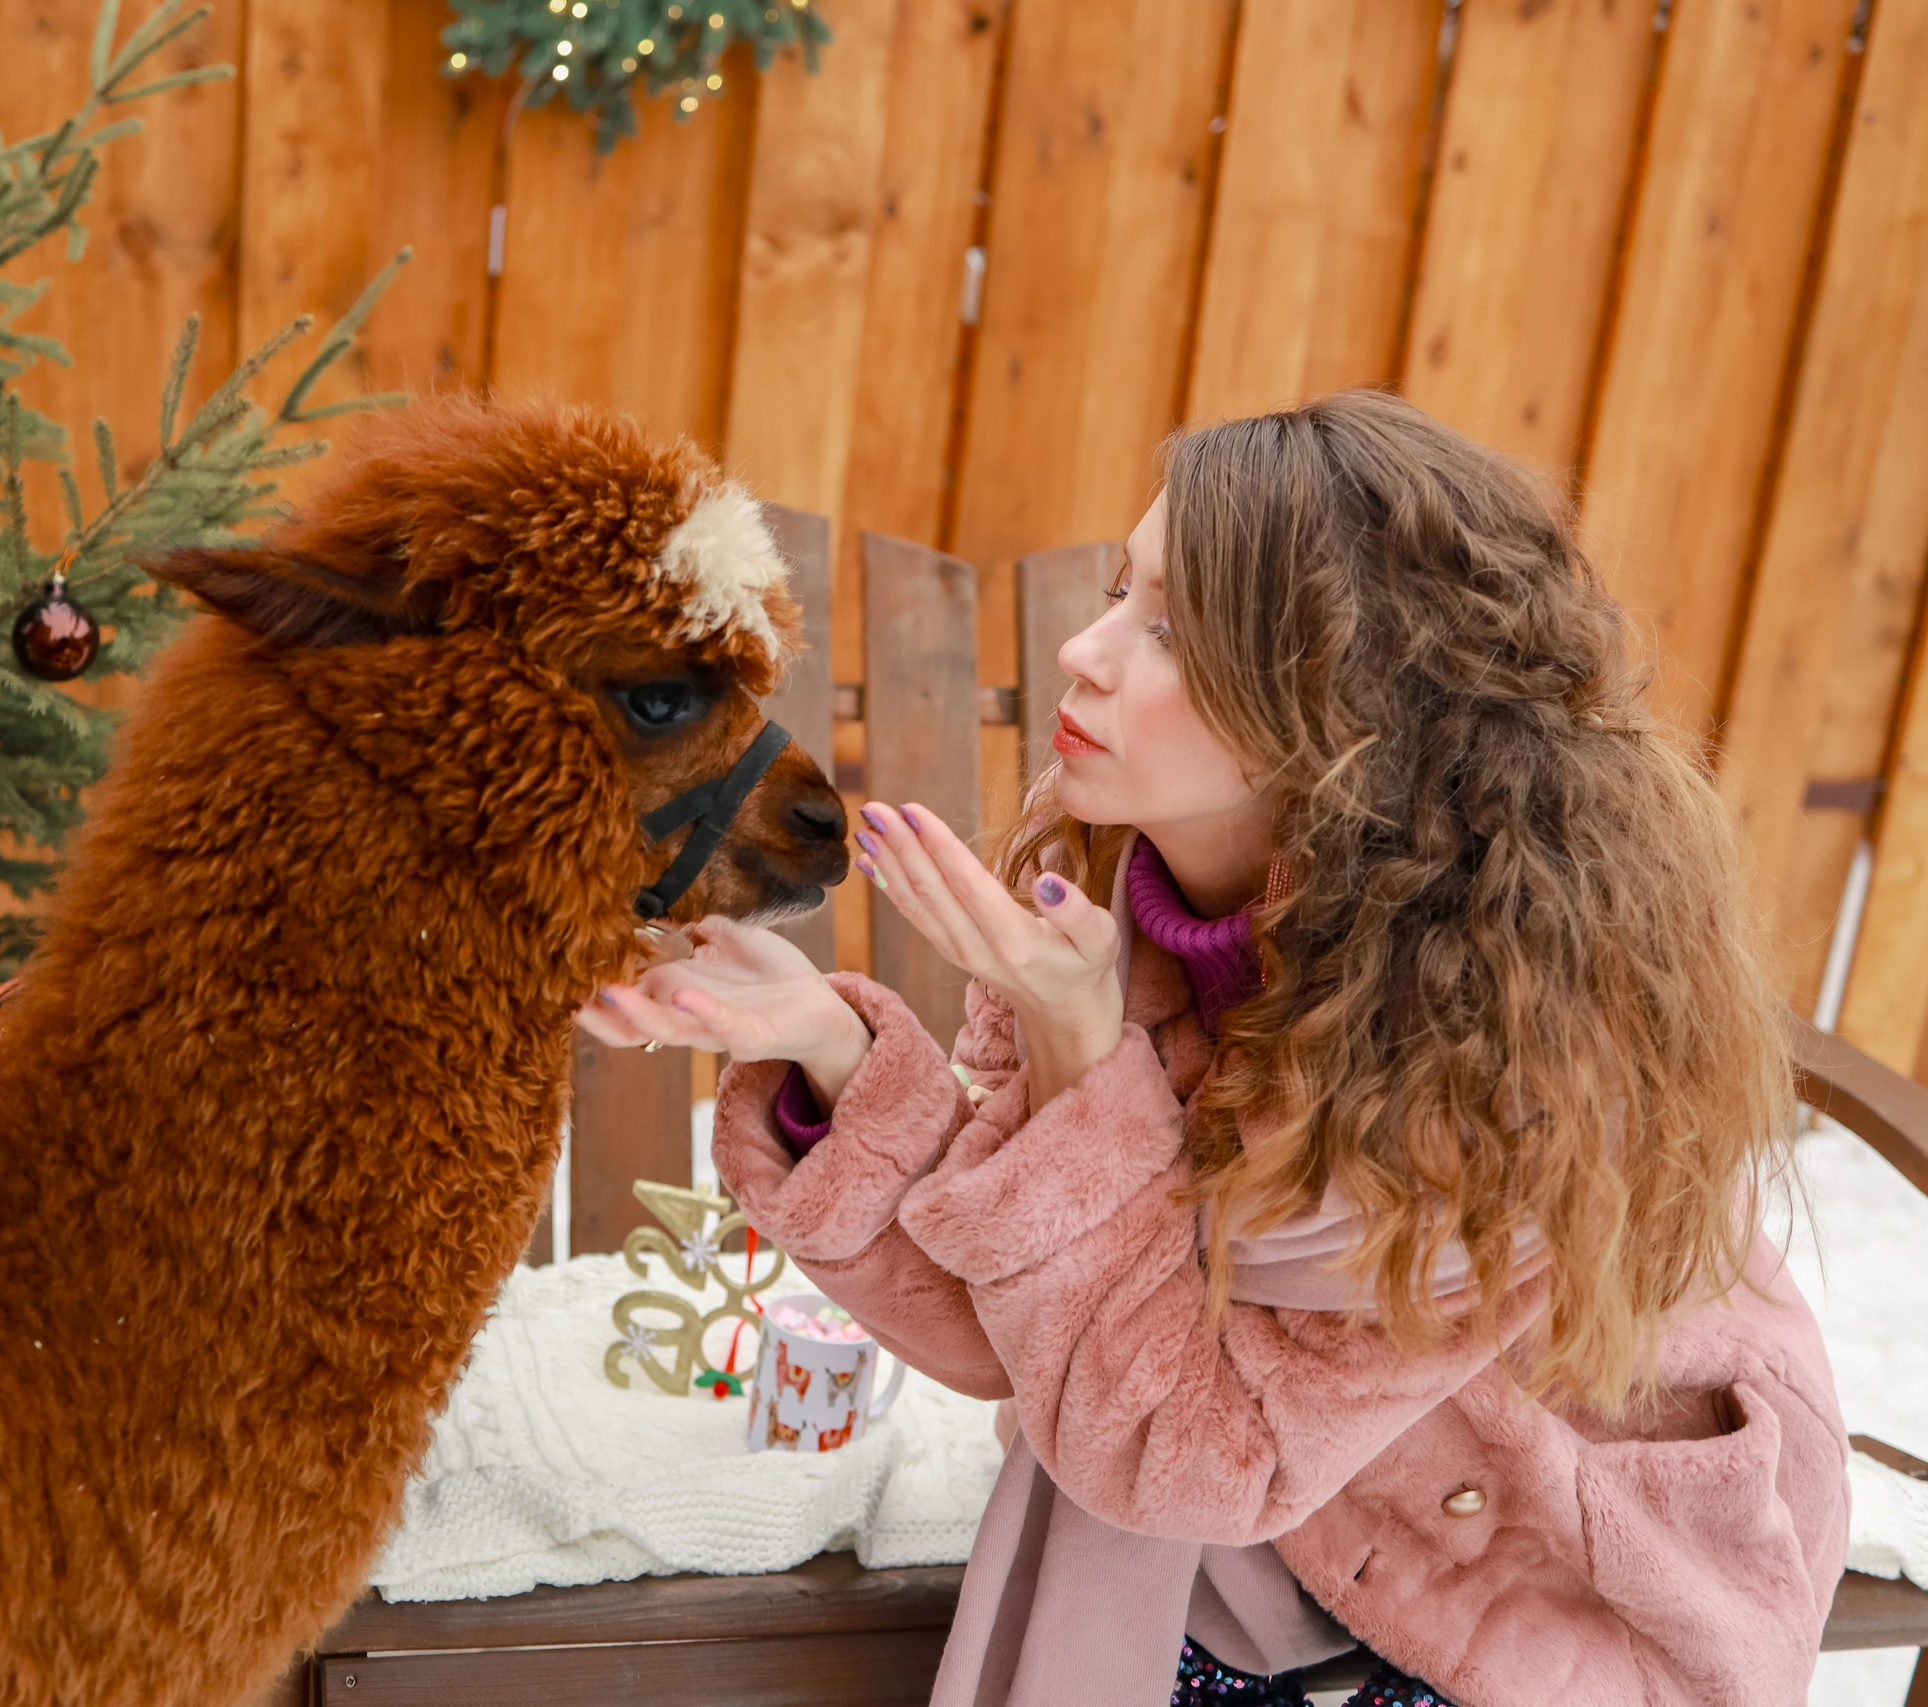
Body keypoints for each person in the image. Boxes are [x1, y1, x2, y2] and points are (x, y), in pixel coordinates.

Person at [578, 390, 1850, 1707]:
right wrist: (833, 1054)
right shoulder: (1102, 901)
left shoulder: (1505, 1050)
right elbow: (1042, 1329)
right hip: (1280, 1552)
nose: (1084, 651)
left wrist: (1081, 1057)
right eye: (1122, 590)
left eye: (1170, 630)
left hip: (1547, 1597)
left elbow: (1196, 1452)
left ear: (1340, 709)